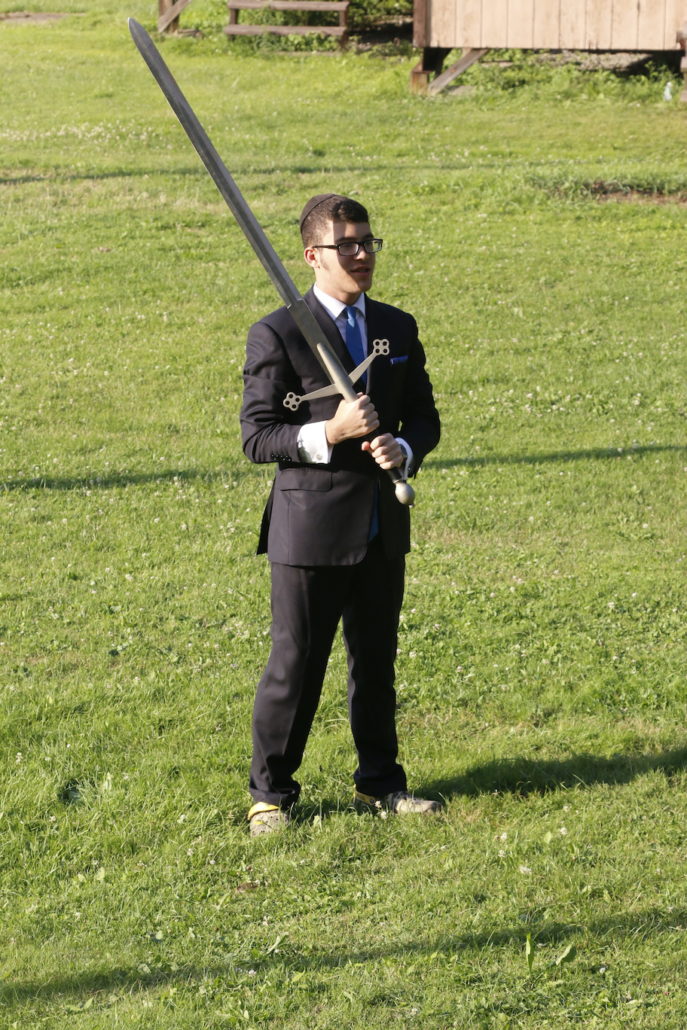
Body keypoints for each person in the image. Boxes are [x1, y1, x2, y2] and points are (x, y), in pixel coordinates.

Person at [240, 193, 441, 836]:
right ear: (312, 255)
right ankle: (270, 795)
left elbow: (425, 418)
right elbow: (257, 437)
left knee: (375, 663)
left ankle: (380, 783)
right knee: (296, 666)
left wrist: (404, 447)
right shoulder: (278, 333)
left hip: (382, 524)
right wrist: (331, 431)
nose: (361, 254)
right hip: (309, 531)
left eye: (367, 242)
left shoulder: (397, 328)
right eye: (346, 244)